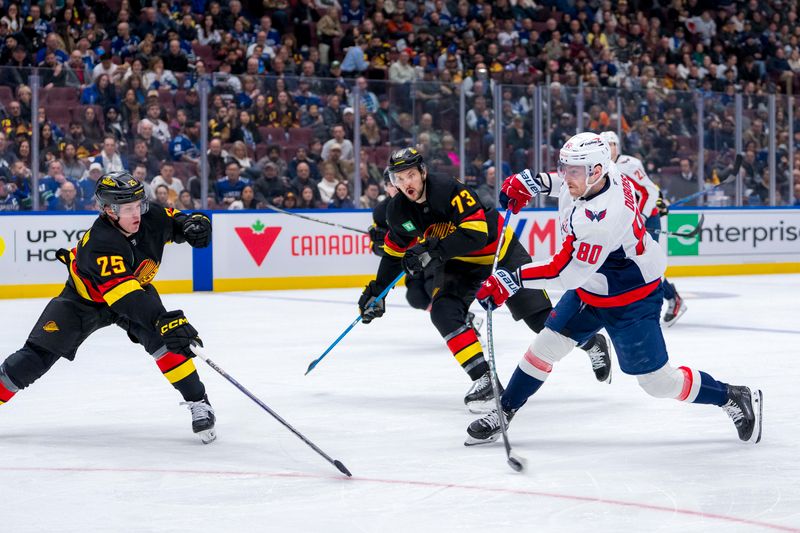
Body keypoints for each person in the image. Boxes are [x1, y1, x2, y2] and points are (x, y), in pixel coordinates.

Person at [465, 133, 762, 446]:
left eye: (573, 171)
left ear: (596, 171)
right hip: (593, 289)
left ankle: (732, 395)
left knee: (658, 383)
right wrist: (534, 181)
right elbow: (562, 184)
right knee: (543, 348)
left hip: (630, 299)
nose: (566, 176)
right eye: (563, 167)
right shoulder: (601, 174)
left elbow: (564, 273)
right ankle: (505, 410)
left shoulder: (602, 218)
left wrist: (509, 280)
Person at [358, 149, 611, 413]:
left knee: (540, 321)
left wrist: (431, 250)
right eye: (399, 178)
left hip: (501, 253)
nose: (407, 183)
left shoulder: (446, 189)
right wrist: (377, 292)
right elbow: (393, 254)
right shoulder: (398, 212)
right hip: (459, 264)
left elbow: (476, 234)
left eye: (411, 175)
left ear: (422, 172)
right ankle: (484, 379)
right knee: (443, 311)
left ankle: (592, 342)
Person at [0, 172, 218, 443]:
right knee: (35, 357)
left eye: (139, 205)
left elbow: (178, 220)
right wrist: (162, 319)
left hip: (133, 289)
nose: (136, 213)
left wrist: (194, 224)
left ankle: (200, 402)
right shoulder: (101, 243)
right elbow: (125, 299)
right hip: (83, 302)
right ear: (107, 210)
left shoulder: (151, 215)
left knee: (167, 343)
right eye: (127, 209)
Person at [601, 131, 685, 326]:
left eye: (613, 144)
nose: (610, 148)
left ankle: (672, 298)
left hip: (645, 221)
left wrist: (644, 215)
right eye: (606, 144)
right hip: (624, 225)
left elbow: (650, 190)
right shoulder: (600, 169)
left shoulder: (629, 165)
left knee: (647, 265)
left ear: (618, 146)